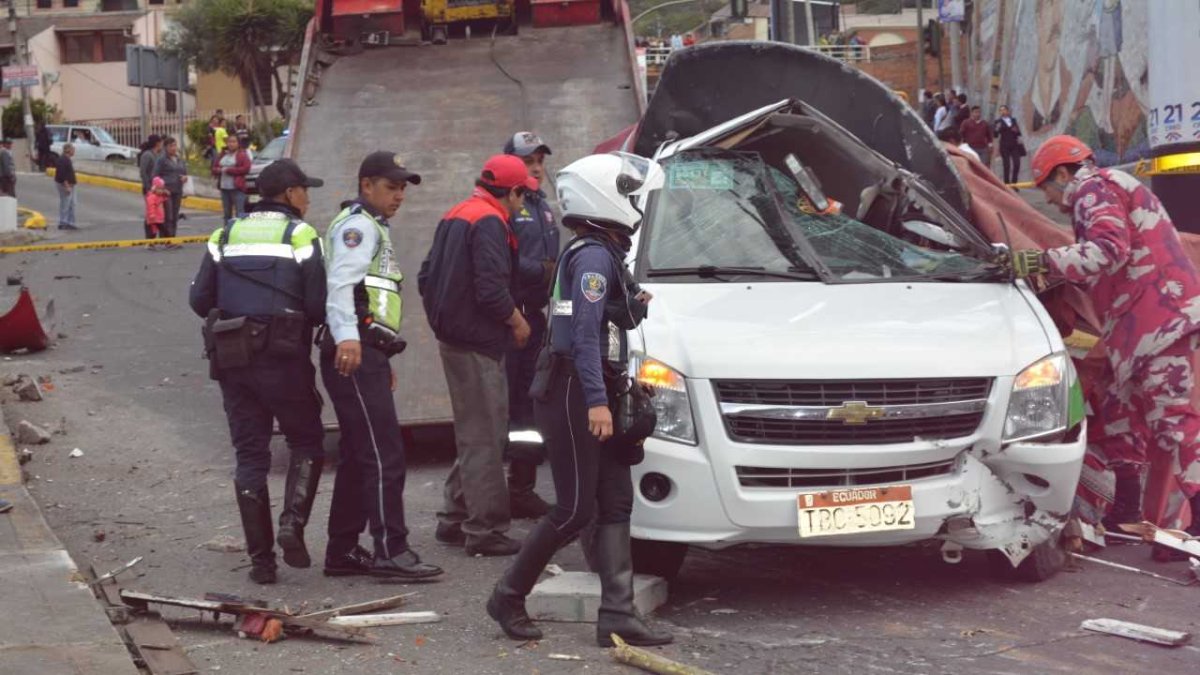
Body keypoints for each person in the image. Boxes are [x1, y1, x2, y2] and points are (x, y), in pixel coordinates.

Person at [487, 152, 672, 648]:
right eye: (628, 193)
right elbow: (585, 335)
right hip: (574, 390)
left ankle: (617, 615)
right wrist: (596, 401)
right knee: (572, 509)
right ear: (604, 195)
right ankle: (507, 595)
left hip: (594, 385)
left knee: (614, 502)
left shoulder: (604, 252)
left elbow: (608, 325)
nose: (635, 203)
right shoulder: (592, 255)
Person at [1013, 135, 1200, 538]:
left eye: (1046, 184)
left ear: (1063, 172)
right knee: (1119, 411)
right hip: (1140, 326)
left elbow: (1107, 250)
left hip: (1159, 320)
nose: (1048, 198)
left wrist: (1040, 260)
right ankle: (1127, 512)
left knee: (1174, 420)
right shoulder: (1106, 189)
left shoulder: (1093, 188)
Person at [188, 159, 328, 584]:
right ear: (289, 194)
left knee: (250, 456)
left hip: (233, 359)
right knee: (306, 440)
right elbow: (318, 306)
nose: (308, 197)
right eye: (305, 189)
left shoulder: (224, 234)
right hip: (284, 359)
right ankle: (292, 524)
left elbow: (199, 300)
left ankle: (261, 563)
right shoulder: (301, 235)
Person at [321, 151, 443, 580]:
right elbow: (341, 285)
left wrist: (377, 350)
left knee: (360, 453)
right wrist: (350, 340)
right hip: (353, 350)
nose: (400, 195)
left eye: (403, 188)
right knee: (384, 453)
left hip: (366, 350)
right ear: (366, 184)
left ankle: (341, 550)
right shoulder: (357, 227)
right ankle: (391, 550)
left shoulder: (371, 226)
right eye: (391, 187)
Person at [418, 155, 535, 557]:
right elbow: (491, 290)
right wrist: (517, 322)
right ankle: (485, 530)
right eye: (524, 195)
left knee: (474, 433)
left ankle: (455, 516)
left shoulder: (458, 212)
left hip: (455, 337)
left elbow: (424, 275)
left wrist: (445, 314)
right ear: (513, 191)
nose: (525, 203)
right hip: (477, 342)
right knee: (487, 437)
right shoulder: (488, 221)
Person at [502, 132, 560, 519]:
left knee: (531, 406)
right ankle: (482, 497)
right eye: (527, 159)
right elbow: (500, 259)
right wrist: (539, 270)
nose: (536, 165)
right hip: (511, 318)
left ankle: (521, 488)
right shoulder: (509, 206)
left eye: (539, 158)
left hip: (536, 317)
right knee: (506, 408)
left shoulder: (544, 206)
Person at [153, 137, 189, 239]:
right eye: (171, 146)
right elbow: (155, 175)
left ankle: (172, 238)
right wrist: (161, 189)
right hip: (166, 192)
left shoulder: (179, 159)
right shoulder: (161, 159)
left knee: (174, 216)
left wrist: (185, 177)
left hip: (178, 190)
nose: (173, 148)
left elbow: (184, 172)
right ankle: (165, 239)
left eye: (175, 145)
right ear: (165, 147)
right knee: (168, 216)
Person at [212, 134, 251, 225]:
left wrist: (229, 170)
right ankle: (227, 233)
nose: (231, 144)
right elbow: (214, 168)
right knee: (227, 214)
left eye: (234, 142)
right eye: (229, 142)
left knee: (239, 214)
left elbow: (246, 168)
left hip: (237, 188)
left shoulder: (242, 155)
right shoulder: (223, 154)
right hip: (224, 188)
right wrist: (218, 170)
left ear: (238, 143)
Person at [139, 135, 163, 239]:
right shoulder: (147, 155)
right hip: (150, 190)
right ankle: (149, 238)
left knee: (158, 214)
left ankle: (158, 236)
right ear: (157, 143)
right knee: (150, 214)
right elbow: (143, 172)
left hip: (158, 190)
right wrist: (148, 187)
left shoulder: (158, 155)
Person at [994, 105, 1024, 184]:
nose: (1002, 112)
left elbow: (1018, 133)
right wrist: (997, 128)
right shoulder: (998, 122)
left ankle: (1014, 183)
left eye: (1004, 110)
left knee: (1017, 164)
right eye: (1000, 110)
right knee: (1006, 165)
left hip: (1014, 145)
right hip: (1004, 145)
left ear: (1007, 111)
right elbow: (995, 135)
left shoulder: (1013, 120)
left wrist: (1016, 131)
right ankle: (1007, 184)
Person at [54, 143, 78, 231]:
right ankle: (63, 222)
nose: (74, 151)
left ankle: (70, 222)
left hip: (70, 185)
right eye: (73, 149)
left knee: (72, 204)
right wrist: (67, 186)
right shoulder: (63, 160)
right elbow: (62, 174)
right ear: (68, 150)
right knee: (65, 204)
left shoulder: (67, 159)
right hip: (65, 185)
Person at [145, 176, 169, 243]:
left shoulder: (159, 196)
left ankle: (166, 242)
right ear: (154, 188)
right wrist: (152, 214)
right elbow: (151, 206)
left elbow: (165, 198)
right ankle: (150, 244)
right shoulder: (152, 197)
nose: (161, 191)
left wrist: (166, 193)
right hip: (154, 218)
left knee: (163, 231)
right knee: (153, 232)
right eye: (159, 189)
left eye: (162, 189)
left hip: (159, 218)